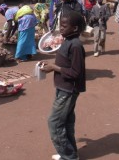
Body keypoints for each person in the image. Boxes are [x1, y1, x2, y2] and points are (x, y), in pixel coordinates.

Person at [39, 11, 86, 160]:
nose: (61, 28)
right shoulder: (67, 40)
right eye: (61, 25)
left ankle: (69, 157)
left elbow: (76, 72)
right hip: (63, 87)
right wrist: (51, 65)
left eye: (65, 26)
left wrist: (54, 68)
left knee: (54, 122)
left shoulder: (76, 45)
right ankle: (69, 153)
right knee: (66, 122)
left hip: (68, 89)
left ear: (75, 29)